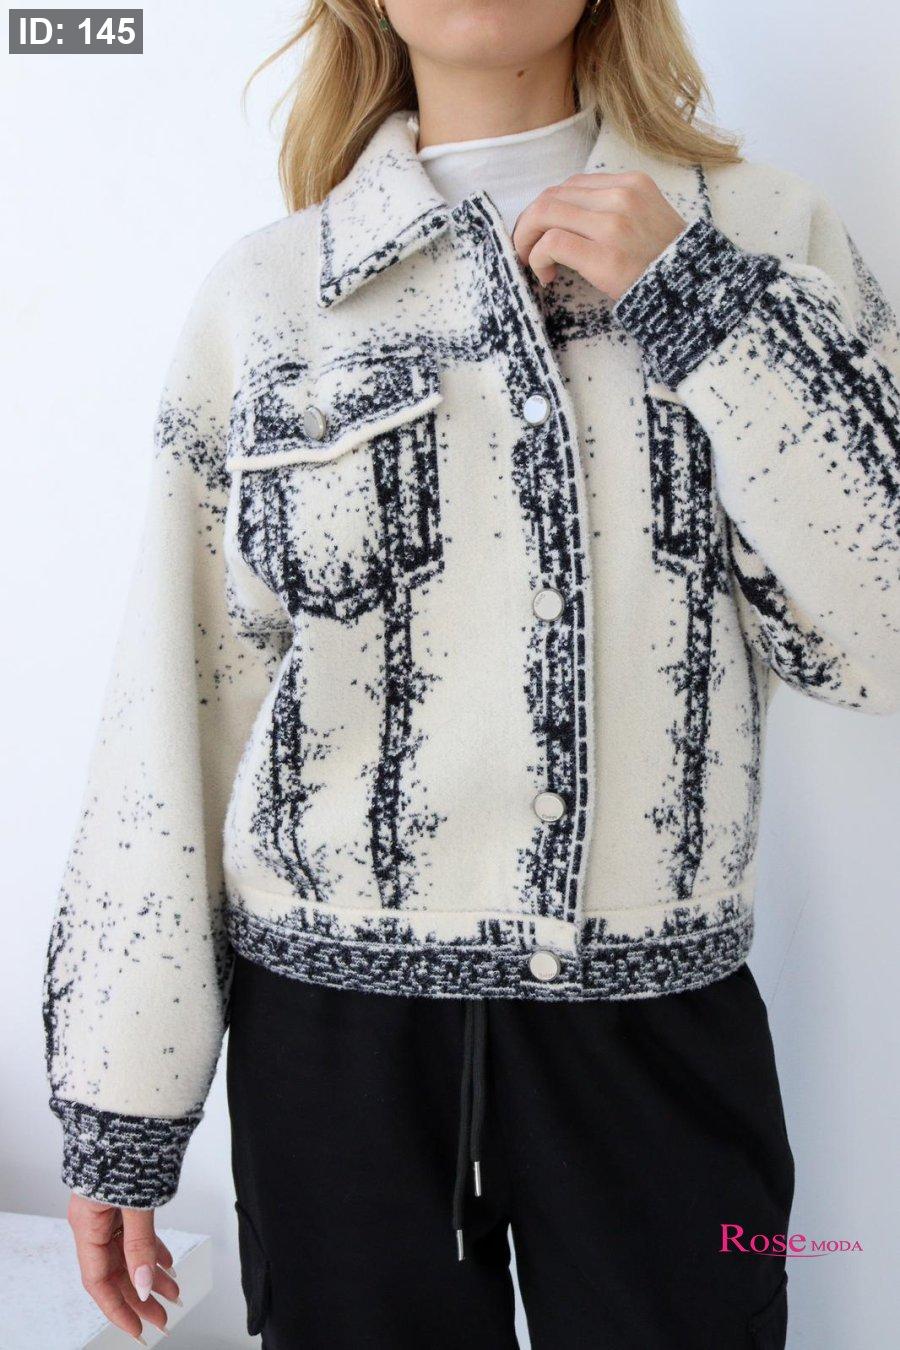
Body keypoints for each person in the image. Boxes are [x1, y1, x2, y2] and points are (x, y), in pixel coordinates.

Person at [43, 1, 900, 1346]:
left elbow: (880, 640)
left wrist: (702, 307)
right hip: (333, 1049)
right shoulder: (273, 292)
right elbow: (176, 701)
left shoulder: (763, 235)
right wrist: (121, 1103)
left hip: (661, 1031)